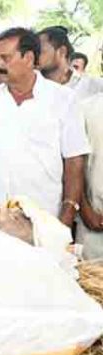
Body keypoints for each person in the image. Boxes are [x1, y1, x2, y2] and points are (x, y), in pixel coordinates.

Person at [0, 27, 90, 225]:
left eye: (5, 58)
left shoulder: (64, 100)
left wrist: (66, 217)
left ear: (29, 58)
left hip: (43, 218)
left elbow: (74, 161)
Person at [38, 26, 103, 101]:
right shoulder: (32, 87)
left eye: (40, 51)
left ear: (61, 52)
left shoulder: (95, 86)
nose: (33, 57)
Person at [77, 92, 103, 259]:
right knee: (91, 282)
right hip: (94, 221)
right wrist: (85, 209)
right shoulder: (85, 108)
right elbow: (71, 165)